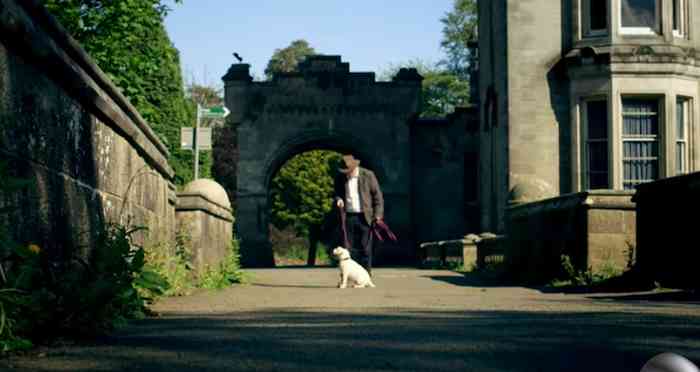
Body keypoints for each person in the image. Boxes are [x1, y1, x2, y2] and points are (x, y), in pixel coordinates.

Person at [334, 154, 384, 275]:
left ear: (355, 168)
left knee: (365, 248)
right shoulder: (341, 178)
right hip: (349, 216)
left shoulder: (368, 175)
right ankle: (351, 274)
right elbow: (337, 192)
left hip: (365, 216)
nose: (346, 174)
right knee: (348, 248)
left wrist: (378, 215)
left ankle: (366, 274)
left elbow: (378, 196)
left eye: (348, 171)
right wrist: (338, 199)